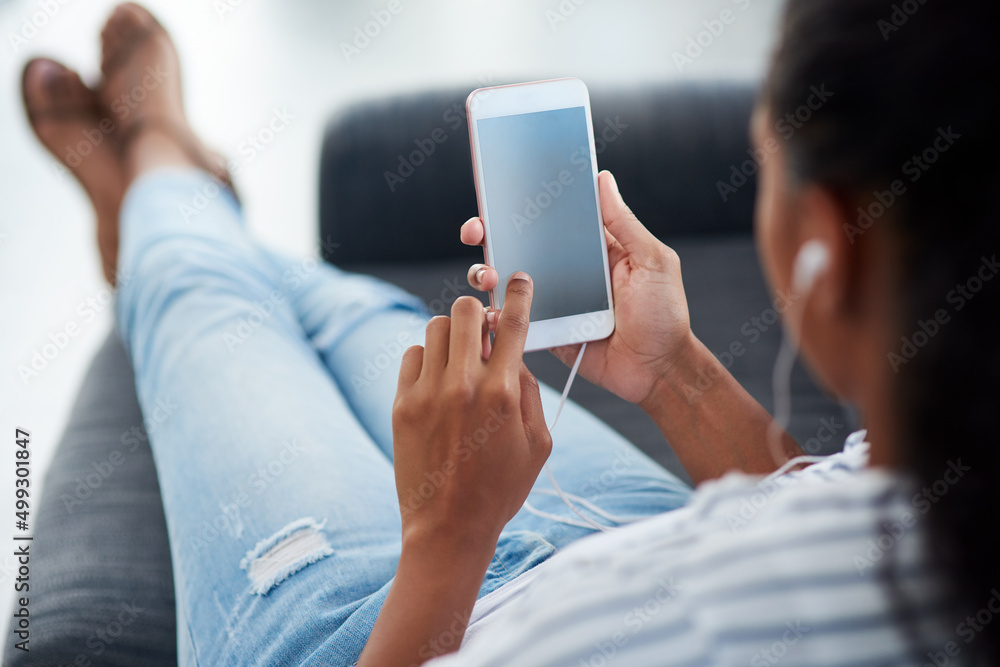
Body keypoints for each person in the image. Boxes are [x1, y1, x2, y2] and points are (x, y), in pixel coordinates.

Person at [20, 1, 997, 665]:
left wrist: (447, 541)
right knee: (355, 311)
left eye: (767, 165)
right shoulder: (952, 479)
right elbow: (814, 497)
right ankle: (175, 204)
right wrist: (675, 374)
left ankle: (155, 174)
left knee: (210, 305)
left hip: (387, 625)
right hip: (616, 536)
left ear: (833, 255)